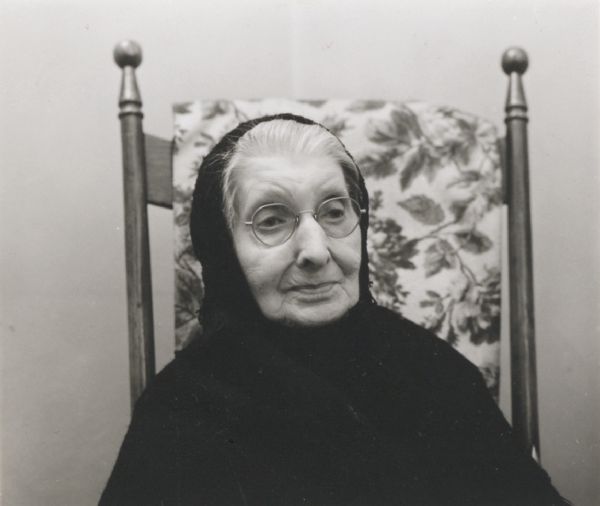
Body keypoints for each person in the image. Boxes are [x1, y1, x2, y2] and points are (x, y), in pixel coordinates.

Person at [100, 114, 567, 505]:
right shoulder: (180, 412)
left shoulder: (432, 371)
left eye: (334, 212)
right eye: (272, 220)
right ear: (224, 252)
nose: (316, 251)